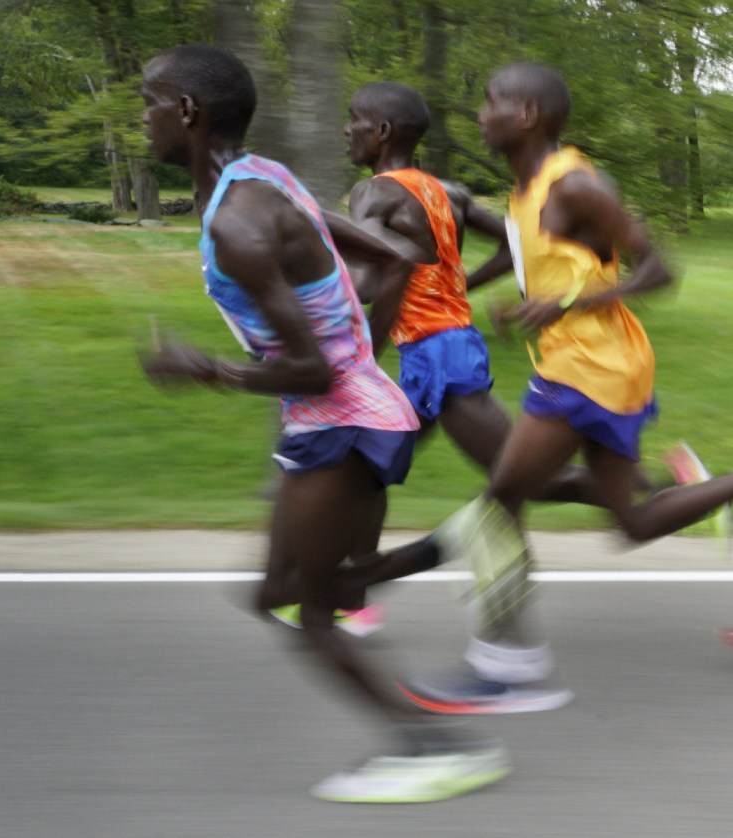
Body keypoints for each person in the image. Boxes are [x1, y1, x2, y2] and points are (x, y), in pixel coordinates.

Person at [136, 44, 510, 803]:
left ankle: (431, 750)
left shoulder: (239, 222)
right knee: (293, 592)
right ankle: (456, 543)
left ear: (186, 112)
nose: (139, 118)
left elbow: (312, 369)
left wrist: (203, 368)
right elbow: (400, 255)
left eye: (148, 101)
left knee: (305, 608)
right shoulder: (263, 178)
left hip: (340, 425)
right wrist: (360, 353)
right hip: (350, 417)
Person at [339, 81, 641, 713]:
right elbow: (510, 242)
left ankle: (658, 497)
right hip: (434, 350)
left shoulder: (371, 193)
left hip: (441, 356)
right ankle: (351, 596)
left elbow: (368, 280)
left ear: (383, 132)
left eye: (355, 121)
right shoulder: (446, 191)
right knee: (370, 466)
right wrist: (456, 285)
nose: (348, 131)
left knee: (510, 490)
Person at [468, 61, 733, 651]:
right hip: (590, 363)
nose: (480, 114)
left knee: (502, 499)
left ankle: (507, 662)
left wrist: (573, 304)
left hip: (592, 368)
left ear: (528, 115)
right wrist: (522, 304)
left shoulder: (575, 185)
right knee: (629, 526)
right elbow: (547, 268)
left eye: (491, 102)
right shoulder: (524, 191)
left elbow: (661, 270)